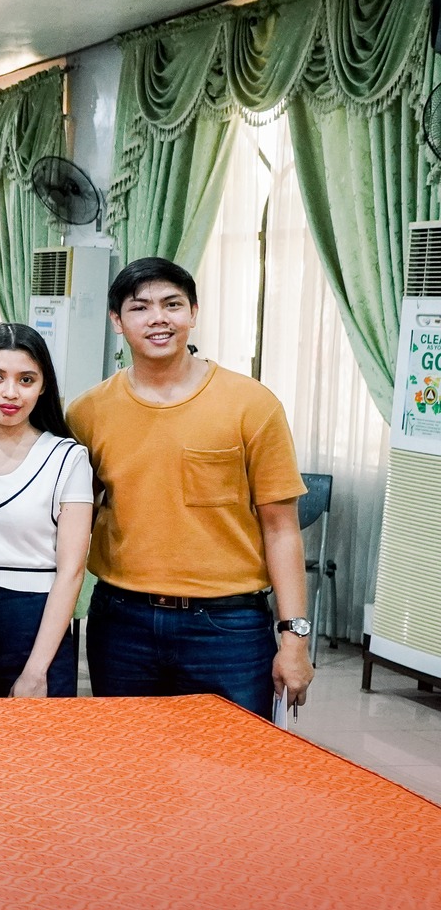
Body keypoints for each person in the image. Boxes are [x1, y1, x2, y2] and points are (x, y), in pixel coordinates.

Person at [67, 257, 313, 718]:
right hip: (122, 623)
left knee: (232, 759)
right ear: (117, 321)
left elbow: (282, 529)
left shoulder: (251, 404)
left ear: (193, 312)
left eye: (172, 304)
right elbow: (73, 521)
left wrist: (294, 638)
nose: (158, 318)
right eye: (140, 307)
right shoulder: (88, 413)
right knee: (129, 757)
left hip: (228, 627)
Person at [0, 322, 92, 698]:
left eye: (26, 380)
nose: (10, 393)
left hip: (36, 623)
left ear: (43, 385)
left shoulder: (68, 457)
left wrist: (36, 671)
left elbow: (71, 572)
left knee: (37, 736)